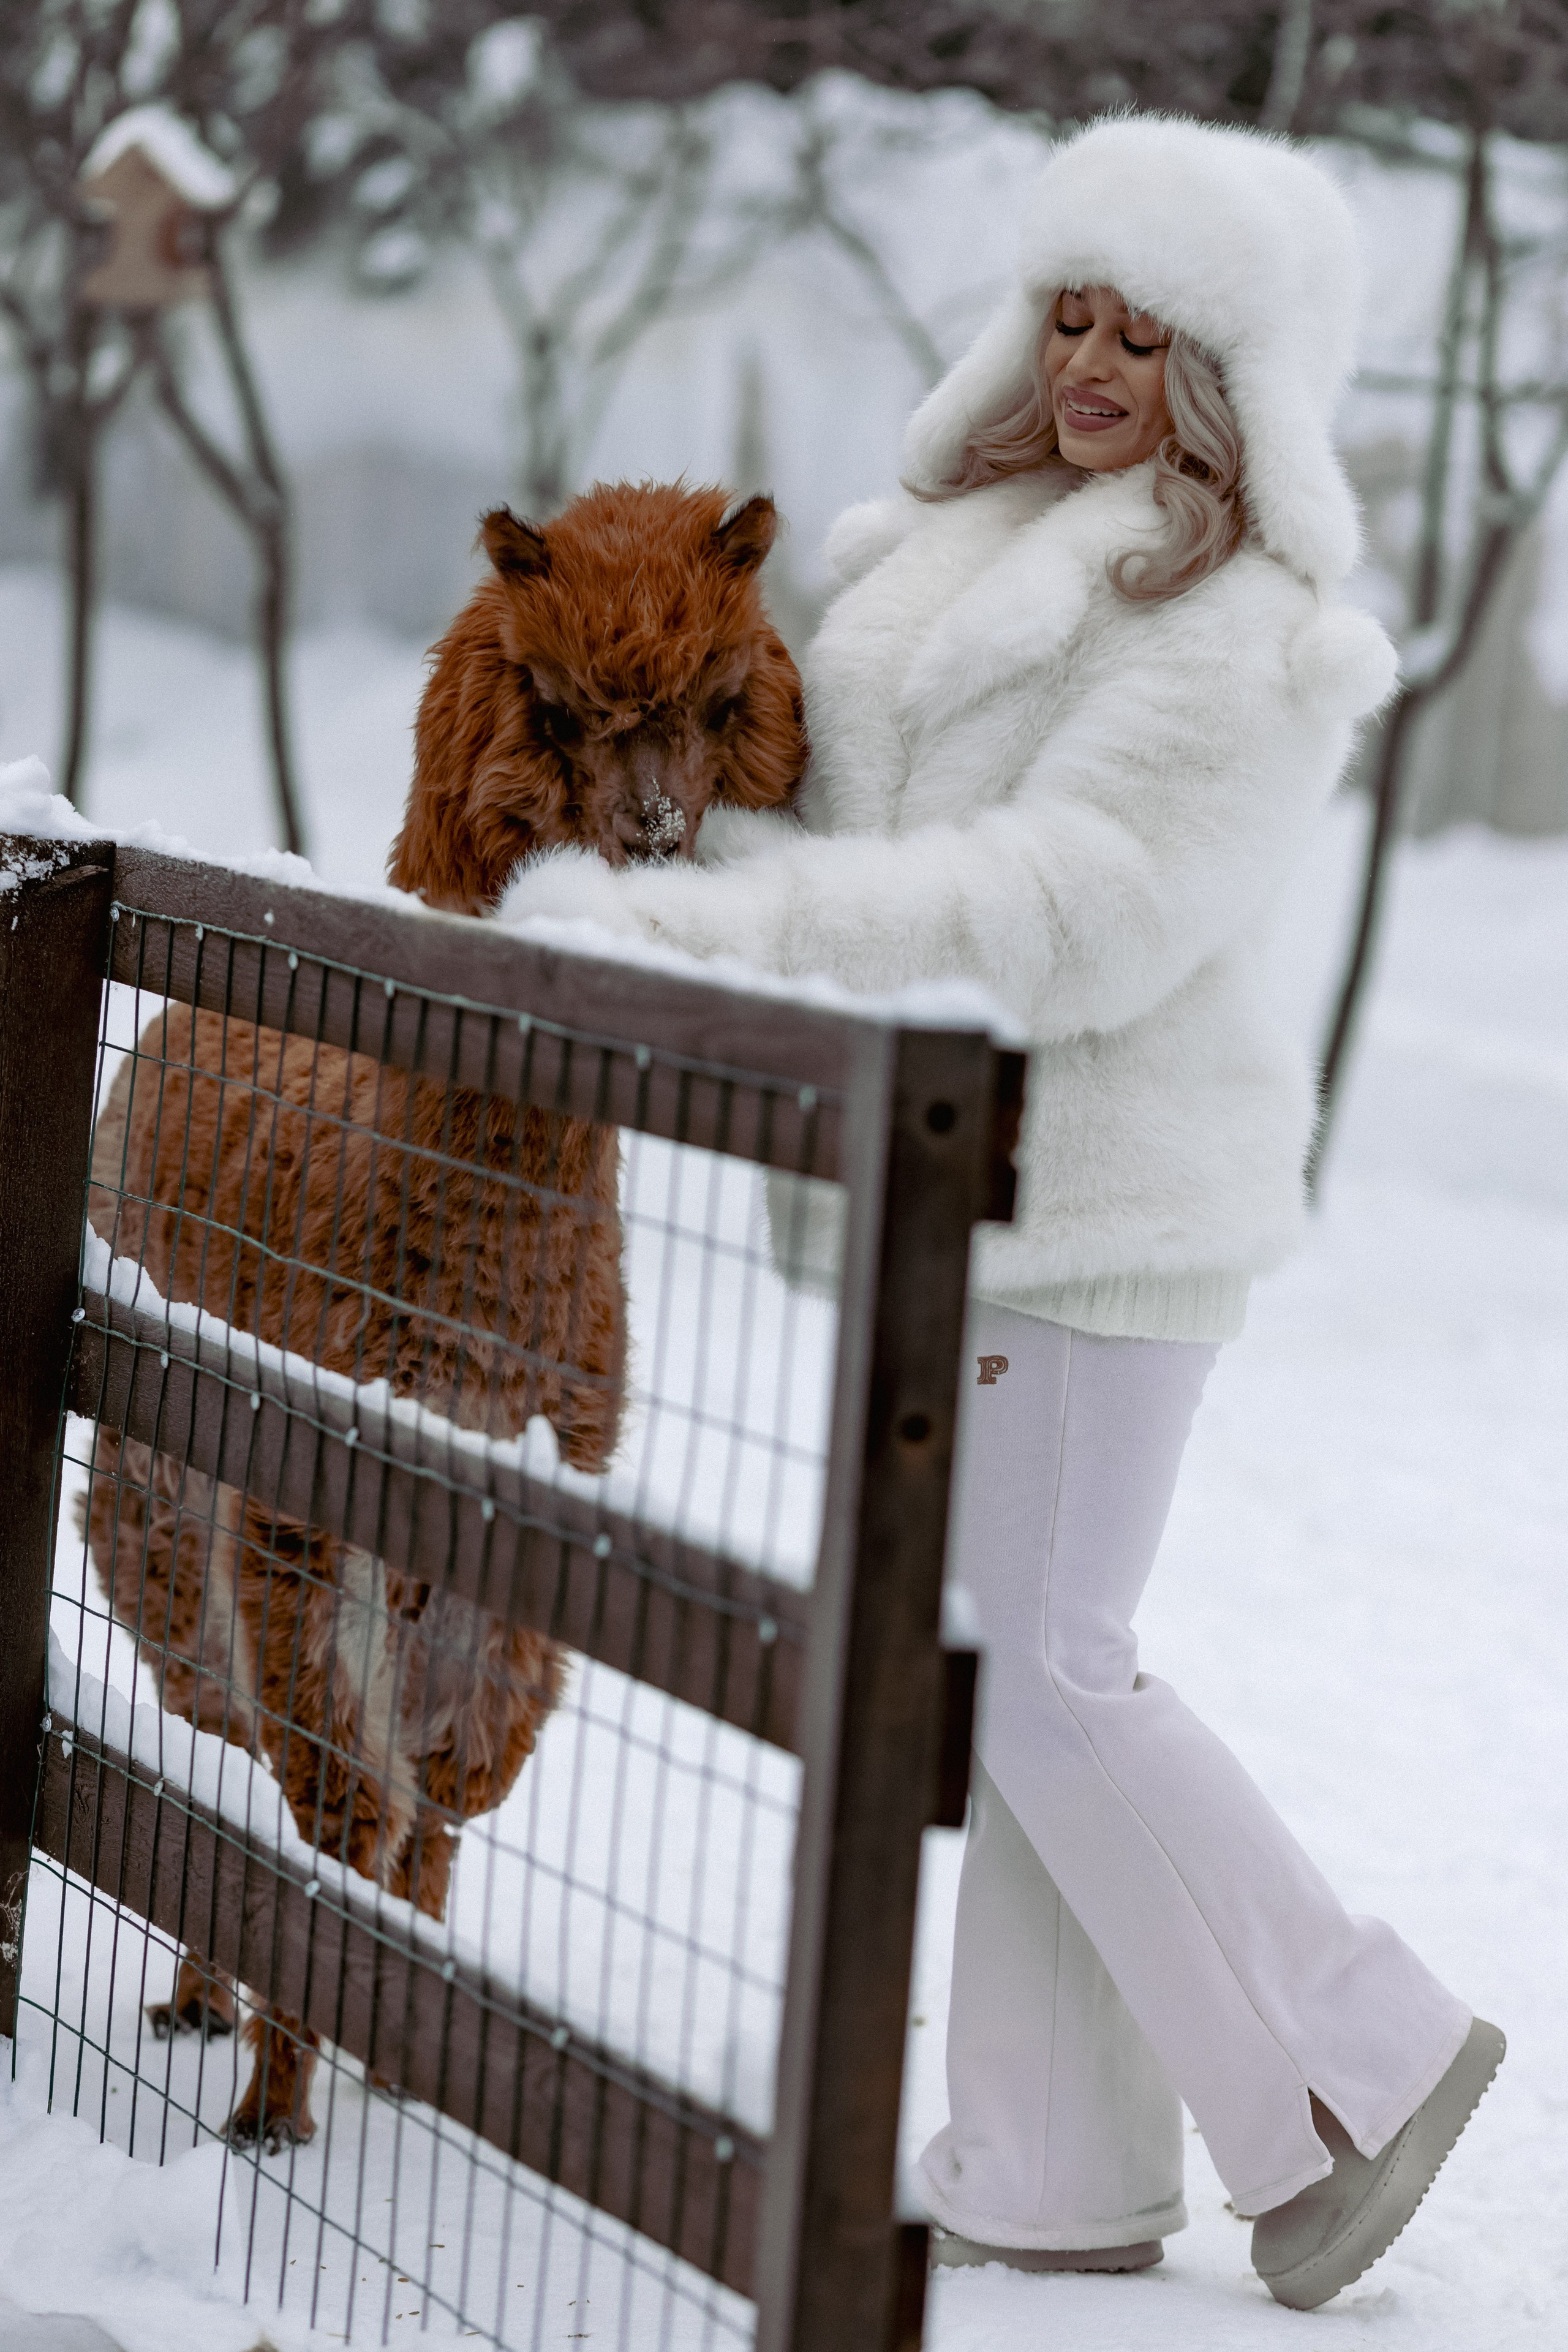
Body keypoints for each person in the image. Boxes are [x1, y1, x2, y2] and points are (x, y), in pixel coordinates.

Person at [497, 114, 1503, 2313]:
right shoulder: (954, 544)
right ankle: (1046, 2160)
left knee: (1049, 1667)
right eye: (1072, 313)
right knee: (1020, 1671)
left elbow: (1072, 915)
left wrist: (741, 943)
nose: (1095, 365)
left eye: (1153, 334)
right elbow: (835, 795)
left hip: (1105, 1197)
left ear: (1233, 374)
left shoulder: (1245, 624)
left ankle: (1355, 2064)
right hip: (965, 1201)